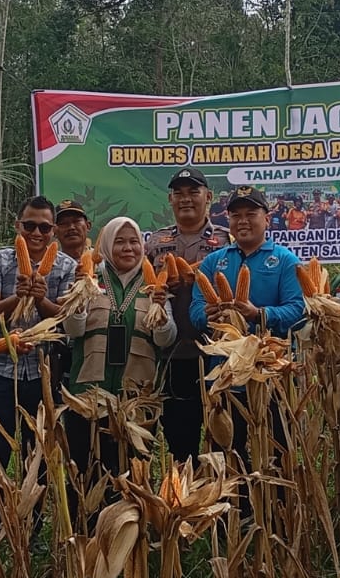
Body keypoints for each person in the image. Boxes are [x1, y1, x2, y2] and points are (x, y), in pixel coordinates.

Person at [190, 186, 308, 462]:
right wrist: (210, 315)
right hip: (225, 379)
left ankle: (278, 505)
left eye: (251, 214)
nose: (242, 221)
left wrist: (258, 314)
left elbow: (299, 310)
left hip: (271, 379)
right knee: (228, 457)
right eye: (235, 215)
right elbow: (195, 310)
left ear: (266, 218)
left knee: (276, 457)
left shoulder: (285, 261)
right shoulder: (213, 262)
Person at [63, 216, 176, 488]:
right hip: (89, 396)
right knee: (87, 473)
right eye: (120, 242)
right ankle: (86, 528)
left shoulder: (153, 286)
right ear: (106, 245)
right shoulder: (89, 279)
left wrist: (160, 315)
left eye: (134, 242)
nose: (128, 248)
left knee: (132, 476)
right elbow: (73, 331)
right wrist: (78, 299)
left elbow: (166, 339)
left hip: (135, 399)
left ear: (143, 246)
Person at [0, 197, 78, 470]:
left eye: (44, 228)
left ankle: (32, 512)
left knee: (38, 458)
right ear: (17, 225)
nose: (36, 233)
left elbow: (64, 320)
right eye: (29, 226)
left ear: (53, 230)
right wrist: (17, 297)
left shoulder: (67, 266)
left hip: (44, 373)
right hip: (1, 372)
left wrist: (40, 299)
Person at [145, 166, 229, 461]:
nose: (186, 199)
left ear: (208, 197)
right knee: (182, 442)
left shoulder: (226, 240)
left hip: (218, 354)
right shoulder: (155, 243)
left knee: (224, 441)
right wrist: (161, 286)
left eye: (193, 192)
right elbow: (142, 290)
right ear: (170, 200)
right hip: (172, 356)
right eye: (178, 193)